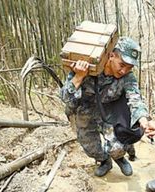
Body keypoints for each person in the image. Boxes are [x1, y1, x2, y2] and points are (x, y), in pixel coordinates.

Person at [60, 37, 149, 177]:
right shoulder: (86, 68)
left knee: (117, 147)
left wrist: (143, 118)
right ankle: (104, 161)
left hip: (108, 113)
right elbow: (66, 98)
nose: (124, 71)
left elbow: (135, 98)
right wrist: (78, 76)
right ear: (111, 55)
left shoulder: (127, 77)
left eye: (129, 67)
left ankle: (119, 158)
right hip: (84, 113)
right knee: (91, 148)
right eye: (122, 64)